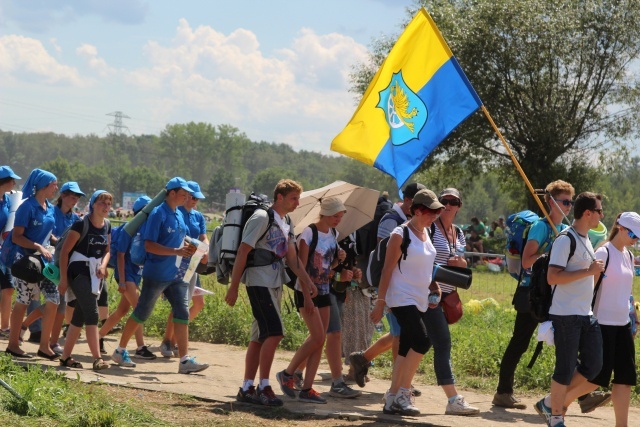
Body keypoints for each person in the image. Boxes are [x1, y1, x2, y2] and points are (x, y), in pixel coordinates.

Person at [226, 179, 316, 407]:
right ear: (280, 197)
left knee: (259, 337)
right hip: (258, 281)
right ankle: (264, 386)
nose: (297, 203)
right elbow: (243, 252)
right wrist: (234, 287)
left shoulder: (287, 222)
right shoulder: (261, 218)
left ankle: (247, 388)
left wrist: (307, 282)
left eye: (298, 198)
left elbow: (293, 261)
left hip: (275, 282)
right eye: (294, 198)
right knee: (275, 332)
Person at [111, 177, 208, 375]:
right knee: (142, 313)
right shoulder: (158, 213)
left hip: (176, 275)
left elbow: (183, 239)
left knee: (182, 312)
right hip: (156, 274)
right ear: (172, 193)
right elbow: (149, 245)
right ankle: (120, 350)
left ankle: (184, 360)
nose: (187, 197)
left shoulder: (178, 215)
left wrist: (194, 248)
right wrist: (176, 251)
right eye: (184, 194)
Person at [493, 179, 574, 409]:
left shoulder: (565, 230)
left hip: (553, 293)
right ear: (551, 202)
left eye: (571, 202)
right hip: (533, 294)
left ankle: (582, 394)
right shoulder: (541, 227)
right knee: (520, 342)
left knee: (567, 341)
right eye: (565, 202)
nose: (568, 206)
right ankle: (503, 392)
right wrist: (550, 257)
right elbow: (528, 260)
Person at [276, 197, 360, 403]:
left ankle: (307, 388)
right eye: (334, 215)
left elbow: (326, 269)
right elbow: (302, 269)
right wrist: (307, 297)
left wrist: (337, 260)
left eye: (340, 216)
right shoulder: (309, 233)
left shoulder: (333, 234)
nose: (338, 219)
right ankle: (287, 374)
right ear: (324, 214)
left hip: (324, 290)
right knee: (317, 338)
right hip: (307, 291)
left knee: (320, 340)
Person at [535, 192, 606, 427]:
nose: (601, 215)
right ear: (587, 213)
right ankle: (556, 416)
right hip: (566, 315)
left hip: (585, 313)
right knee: (564, 368)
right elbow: (552, 276)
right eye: (599, 210)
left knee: (595, 366)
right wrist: (588, 272)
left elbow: (584, 278)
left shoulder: (585, 239)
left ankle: (550, 402)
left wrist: (592, 274)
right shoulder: (566, 239)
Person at [561, 212, 638, 426]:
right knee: (595, 379)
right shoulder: (604, 253)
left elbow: (627, 291)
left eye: (638, 236)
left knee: (625, 379)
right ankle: (558, 402)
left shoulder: (629, 256)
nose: (635, 239)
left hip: (623, 324)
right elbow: (589, 289)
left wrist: (633, 317)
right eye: (633, 233)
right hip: (601, 323)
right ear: (620, 228)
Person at [370, 189, 442, 416]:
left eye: (437, 211)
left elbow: (426, 264)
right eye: (431, 211)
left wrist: (433, 285)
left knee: (405, 347)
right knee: (422, 341)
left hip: (420, 298)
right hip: (401, 297)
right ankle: (403, 392)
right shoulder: (399, 235)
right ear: (418, 210)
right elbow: (387, 270)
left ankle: (392, 398)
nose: (435, 215)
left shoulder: (427, 231)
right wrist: (380, 302)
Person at [348, 183, 426, 394]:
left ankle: (361, 359)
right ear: (410, 201)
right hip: (392, 287)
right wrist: (384, 296)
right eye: (422, 204)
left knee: (397, 333)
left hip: (404, 288)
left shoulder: (410, 221)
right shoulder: (392, 220)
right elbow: (384, 258)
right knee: (400, 334)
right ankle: (400, 384)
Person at [426, 188, 479, 415]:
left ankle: (395, 391)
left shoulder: (458, 232)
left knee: (416, 344)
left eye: (453, 201)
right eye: (444, 200)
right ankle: (453, 399)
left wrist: (462, 264)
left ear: (459, 205)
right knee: (442, 343)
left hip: (447, 294)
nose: (448, 205)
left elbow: (463, 260)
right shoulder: (430, 228)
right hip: (429, 294)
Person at [20, 181, 85, 355]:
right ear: (62, 195)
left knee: (59, 306)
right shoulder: (51, 212)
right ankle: (34, 331)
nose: (74, 199)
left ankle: (48, 339)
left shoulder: (75, 219)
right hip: (49, 264)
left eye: (77, 197)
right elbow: (47, 234)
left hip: (65, 265)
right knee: (54, 302)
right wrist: (57, 242)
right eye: (72, 196)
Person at [3, 169, 59, 359]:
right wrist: (37, 246)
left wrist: (56, 241)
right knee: (23, 300)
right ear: (44, 186)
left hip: (44, 261)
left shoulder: (49, 207)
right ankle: (12, 345)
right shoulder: (27, 207)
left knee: (53, 299)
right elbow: (17, 236)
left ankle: (44, 346)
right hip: (25, 262)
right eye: (54, 184)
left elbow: (47, 232)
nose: (56, 188)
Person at [57, 190, 113, 370]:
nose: (106, 207)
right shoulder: (81, 225)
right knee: (92, 311)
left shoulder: (108, 225)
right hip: (77, 271)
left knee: (80, 315)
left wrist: (104, 265)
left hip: (95, 273)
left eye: (109, 204)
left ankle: (65, 357)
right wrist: (64, 280)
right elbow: (65, 252)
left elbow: (107, 250)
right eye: (102, 203)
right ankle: (97, 359)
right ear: (93, 204)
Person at [97, 196, 155, 360]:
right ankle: (140, 347)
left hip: (134, 276)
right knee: (140, 309)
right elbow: (121, 257)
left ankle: (98, 336)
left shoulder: (144, 229)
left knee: (122, 311)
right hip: (126, 275)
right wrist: (122, 281)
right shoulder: (127, 230)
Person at [159, 181, 209, 357]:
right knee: (179, 303)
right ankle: (168, 341)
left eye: (197, 198)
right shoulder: (176, 212)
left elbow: (203, 236)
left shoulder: (198, 216)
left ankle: (175, 337)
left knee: (198, 303)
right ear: (186, 196)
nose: (195, 200)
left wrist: (206, 249)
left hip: (193, 262)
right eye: (192, 197)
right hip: (178, 262)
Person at [0, 166, 20, 338]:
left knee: (8, 288)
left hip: (3, 252)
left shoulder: (7, 200)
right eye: (12, 179)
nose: (14, 182)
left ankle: (4, 328)